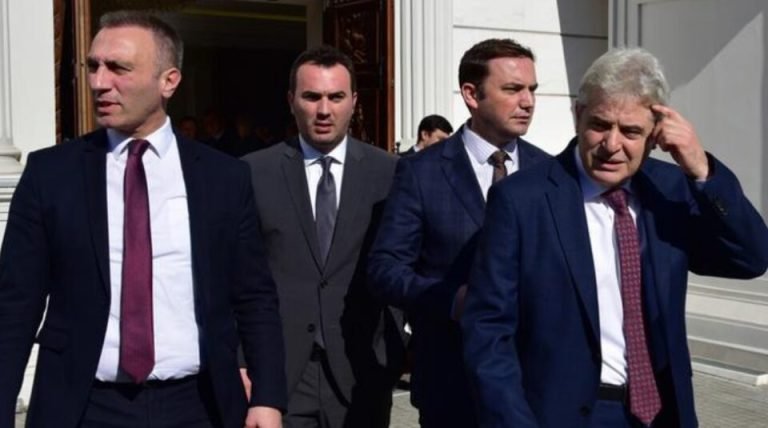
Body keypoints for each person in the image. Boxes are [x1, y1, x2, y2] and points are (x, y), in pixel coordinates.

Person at [0, 11, 286, 428]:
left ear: (169, 81)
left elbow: (254, 295)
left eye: (119, 68)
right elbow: (15, 304)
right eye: (94, 66)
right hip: (83, 406)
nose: (99, 82)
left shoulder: (224, 177)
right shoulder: (51, 174)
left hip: (198, 406)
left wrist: (267, 398)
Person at [461, 47, 768, 428]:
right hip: (563, 416)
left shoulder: (669, 190)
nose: (612, 145)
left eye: (631, 131)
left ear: (655, 134)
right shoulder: (522, 199)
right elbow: (488, 330)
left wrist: (702, 169)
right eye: (600, 125)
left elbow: (751, 257)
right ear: (578, 115)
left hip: (661, 414)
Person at [367, 38, 550, 427]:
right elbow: (385, 269)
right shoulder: (421, 172)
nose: (528, 102)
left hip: (535, 385)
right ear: (471, 94)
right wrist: (453, 300)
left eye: (532, 89)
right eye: (512, 89)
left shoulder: (549, 171)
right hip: (452, 384)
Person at [242, 45, 405, 428]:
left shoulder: (391, 173)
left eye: (336, 97)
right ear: (291, 101)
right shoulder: (252, 172)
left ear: (354, 101)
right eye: (312, 96)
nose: (324, 110)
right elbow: (235, 276)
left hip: (362, 367)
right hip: (279, 373)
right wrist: (240, 359)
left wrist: (397, 345)